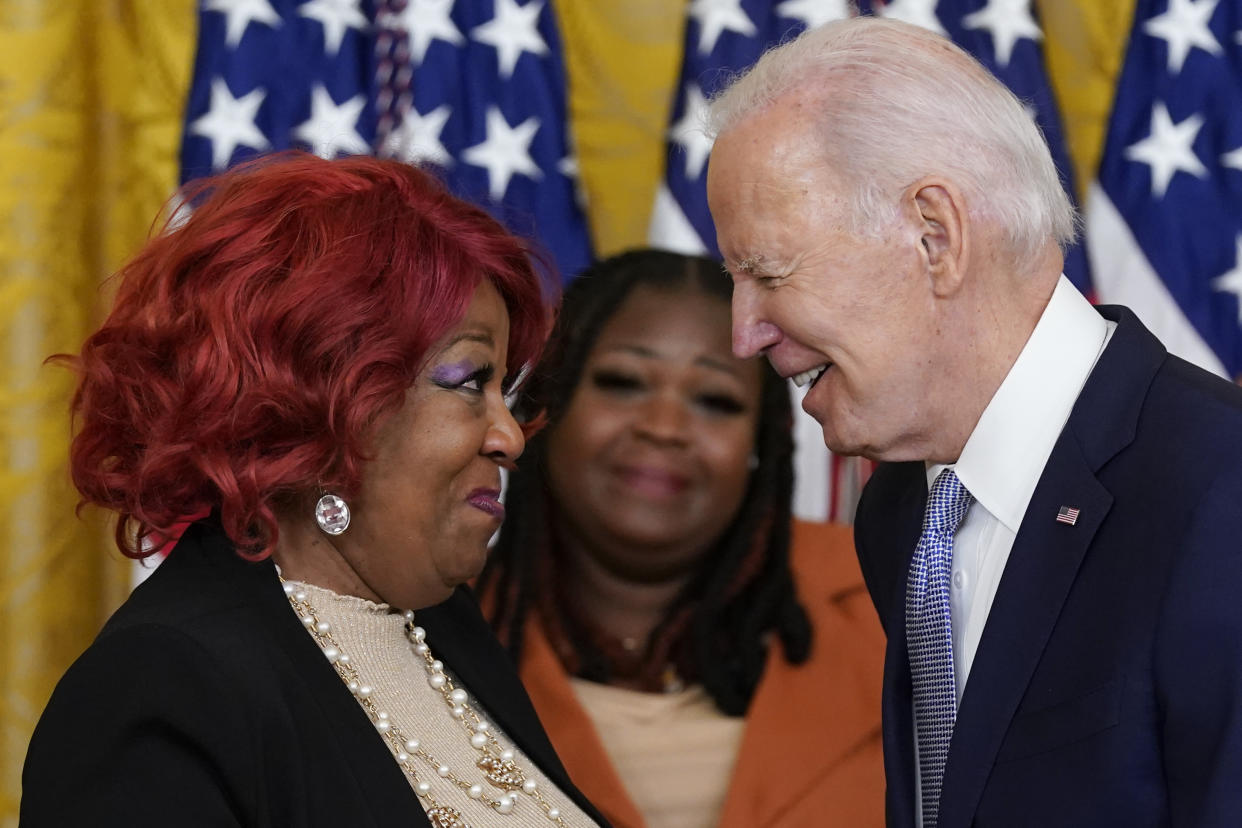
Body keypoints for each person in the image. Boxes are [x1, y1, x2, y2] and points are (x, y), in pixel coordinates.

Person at [705, 16, 1242, 828]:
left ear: (936, 236)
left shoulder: (1220, 490)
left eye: (768, 271)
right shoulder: (899, 512)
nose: (743, 334)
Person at [21, 153, 608, 828]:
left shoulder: (444, 628)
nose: (509, 435)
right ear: (322, 400)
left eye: (506, 390)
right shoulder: (160, 687)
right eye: (470, 381)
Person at [475, 248, 886, 828]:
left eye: (715, 400)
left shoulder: (890, 599)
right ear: (547, 405)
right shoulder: (430, 625)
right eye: (622, 383)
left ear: (760, 443)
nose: (664, 428)